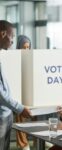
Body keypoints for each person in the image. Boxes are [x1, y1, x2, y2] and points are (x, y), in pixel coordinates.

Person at [0, 20, 31, 150]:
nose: (12, 40)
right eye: (11, 36)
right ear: (2, 34)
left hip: (6, 114)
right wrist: (20, 108)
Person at [16, 35, 31, 150]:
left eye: (28, 47)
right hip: (17, 96)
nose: (26, 50)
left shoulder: (32, 59)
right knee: (20, 115)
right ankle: (23, 144)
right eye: (23, 47)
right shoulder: (13, 59)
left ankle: (40, 141)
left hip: (29, 94)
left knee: (37, 114)